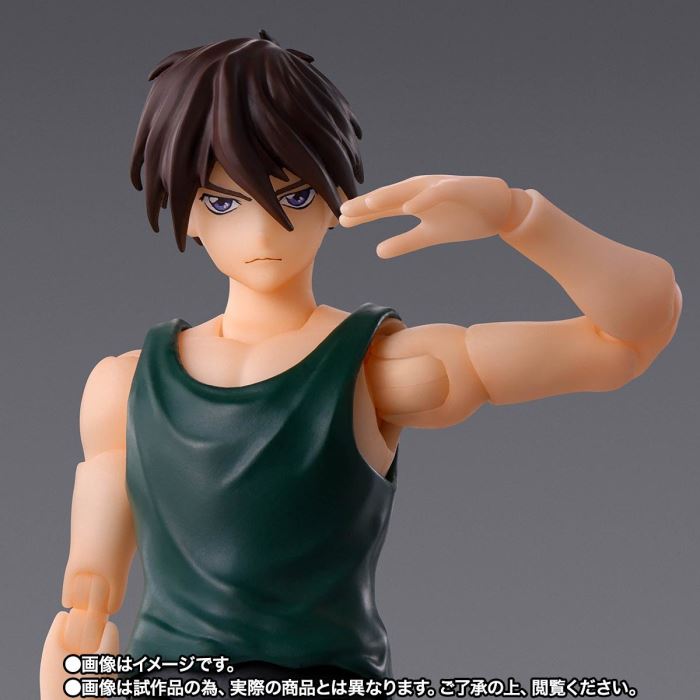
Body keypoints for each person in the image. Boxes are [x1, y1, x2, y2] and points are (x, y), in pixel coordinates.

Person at [40, 32, 682, 699]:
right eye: (222, 201)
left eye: (292, 197)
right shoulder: (122, 386)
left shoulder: (381, 369)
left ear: (333, 197)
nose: (261, 233)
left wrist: (519, 216)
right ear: (188, 212)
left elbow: (626, 340)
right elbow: (87, 596)